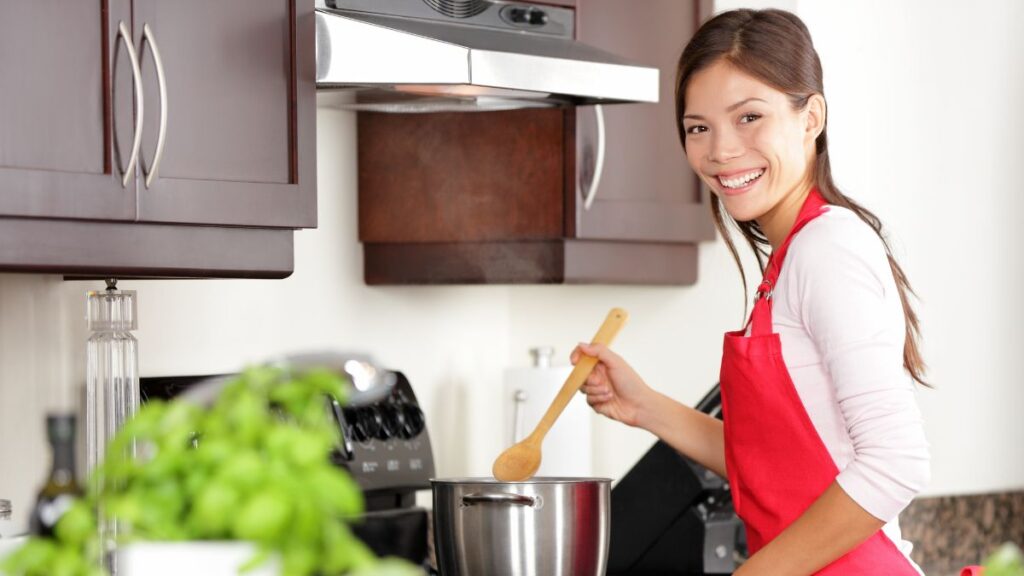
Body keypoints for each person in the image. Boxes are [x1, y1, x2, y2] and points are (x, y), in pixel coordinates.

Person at [572, 9, 931, 575]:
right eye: (699, 127)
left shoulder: (827, 249)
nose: (720, 150)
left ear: (811, 116)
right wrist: (643, 405)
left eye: (749, 117)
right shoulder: (789, 260)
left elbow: (896, 462)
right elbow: (772, 463)